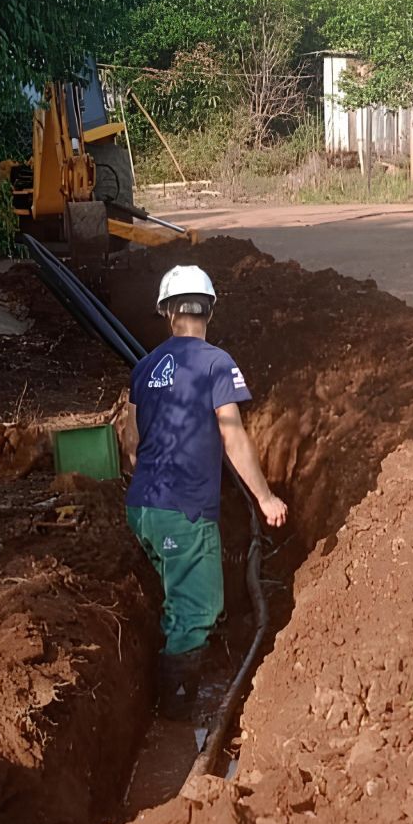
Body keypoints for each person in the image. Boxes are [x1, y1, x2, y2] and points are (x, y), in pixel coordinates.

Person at [121, 265, 287, 720]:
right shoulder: (216, 362)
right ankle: (175, 720)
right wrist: (265, 498)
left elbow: (131, 443)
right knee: (199, 607)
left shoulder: (144, 367)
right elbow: (232, 436)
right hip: (184, 510)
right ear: (208, 309)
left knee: (178, 596)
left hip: (143, 509)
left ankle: (170, 674)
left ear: (167, 312)